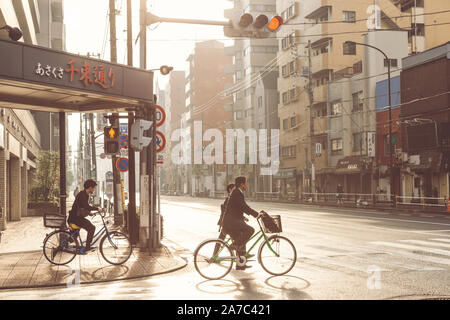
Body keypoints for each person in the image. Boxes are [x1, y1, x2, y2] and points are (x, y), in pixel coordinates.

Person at [222, 176, 263, 270]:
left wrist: (244, 217)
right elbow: (244, 207)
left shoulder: (237, 192)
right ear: (242, 184)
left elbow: (239, 208)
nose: (246, 185)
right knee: (250, 230)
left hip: (232, 221)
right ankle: (234, 245)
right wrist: (256, 214)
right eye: (246, 183)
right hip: (231, 222)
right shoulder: (237, 193)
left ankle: (240, 264)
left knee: (241, 240)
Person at [67, 179, 103, 254]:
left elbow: (82, 206)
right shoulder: (83, 195)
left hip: (75, 217)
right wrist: (97, 208)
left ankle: (67, 243)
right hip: (75, 218)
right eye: (93, 188)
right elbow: (86, 206)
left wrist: (89, 212)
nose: (94, 189)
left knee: (74, 236)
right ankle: (87, 247)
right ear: (90, 188)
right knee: (91, 228)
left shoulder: (84, 194)